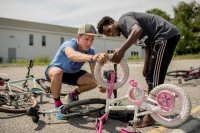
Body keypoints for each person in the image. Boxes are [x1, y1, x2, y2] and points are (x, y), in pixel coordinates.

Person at [97, 12, 180, 128]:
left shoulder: (124, 20)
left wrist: (121, 50)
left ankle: (151, 116)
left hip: (165, 36)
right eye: (109, 35)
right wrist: (146, 65)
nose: (111, 34)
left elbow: (137, 30)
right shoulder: (126, 32)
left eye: (109, 30)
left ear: (110, 22)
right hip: (158, 41)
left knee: (154, 80)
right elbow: (147, 45)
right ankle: (151, 109)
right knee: (150, 75)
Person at [45, 23, 108, 119]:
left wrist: (101, 85)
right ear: (79, 38)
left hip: (73, 74)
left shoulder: (91, 50)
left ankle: (72, 95)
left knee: (94, 81)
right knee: (58, 72)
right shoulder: (69, 44)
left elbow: (95, 73)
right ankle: (58, 105)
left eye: (92, 40)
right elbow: (72, 55)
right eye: (86, 39)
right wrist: (92, 57)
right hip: (55, 71)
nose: (89, 43)